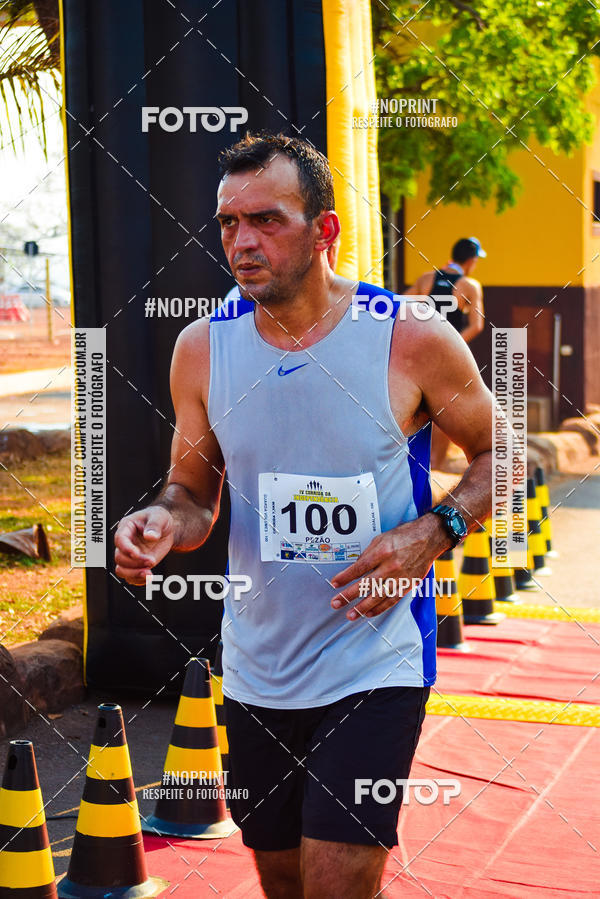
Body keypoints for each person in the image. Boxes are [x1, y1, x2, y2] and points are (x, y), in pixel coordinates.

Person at [114, 132, 493, 899]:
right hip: (259, 668)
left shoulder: (408, 336)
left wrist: (437, 530)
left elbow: (505, 455)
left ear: (326, 230)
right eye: (228, 223)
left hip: (374, 660)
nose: (242, 241)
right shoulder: (203, 349)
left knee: (335, 883)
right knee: (284, 883)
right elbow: (193, 493)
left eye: (267, 219)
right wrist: (159, 521)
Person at [405, 237, 487, 469]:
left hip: (419, 354)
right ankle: (437, 466)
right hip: (445, 360)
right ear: (471, 261)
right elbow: (477, 324)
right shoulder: (469, 285)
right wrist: (451, 346)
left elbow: (401, 304)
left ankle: (416, 463)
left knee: (416, 407)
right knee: (444, 411)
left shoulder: (426, 278)